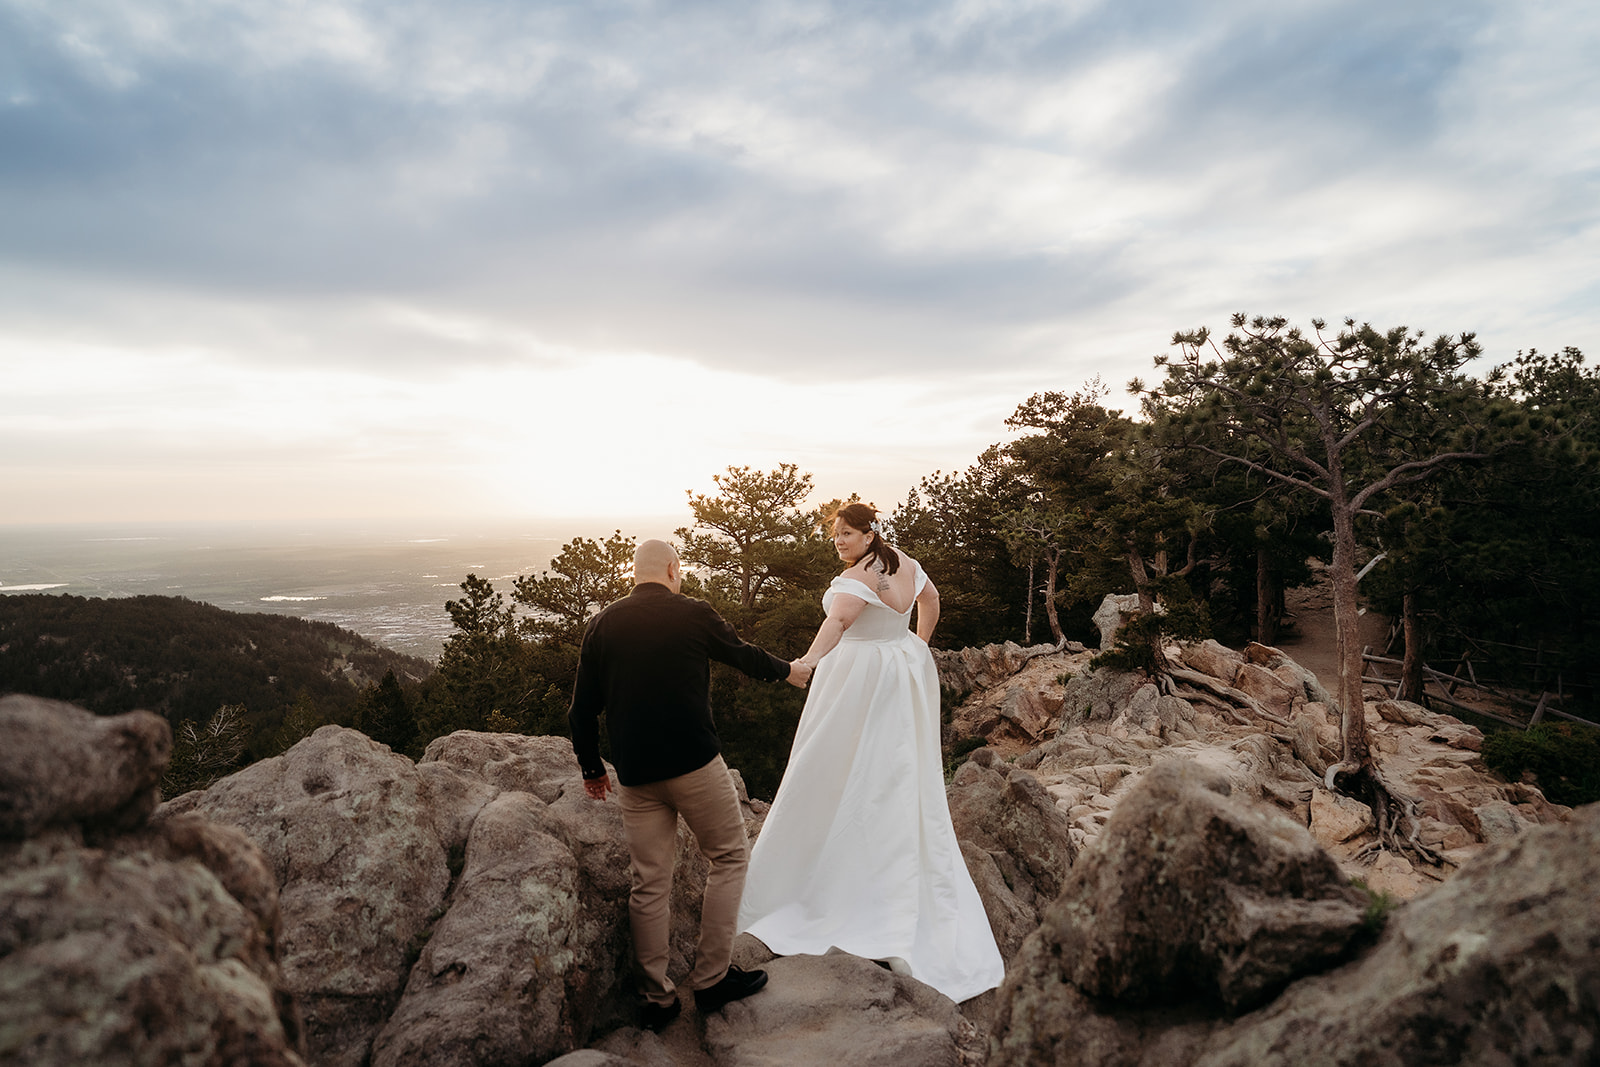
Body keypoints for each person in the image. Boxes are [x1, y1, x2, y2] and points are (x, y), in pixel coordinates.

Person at [736, 503, 1005, 1003]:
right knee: (895, 764)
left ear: (869, 533)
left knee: (832, 765)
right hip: (899, 670)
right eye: (835, 534)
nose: (838, 541)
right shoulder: (903, 562)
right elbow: (931, 600)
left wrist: (806, 665)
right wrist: (916, 646)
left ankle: (826, 868)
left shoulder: (857, 579)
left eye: (847, 534)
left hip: (857, 676)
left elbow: (836, 627)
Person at [569, 538, 812, 1033]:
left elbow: (581, 710)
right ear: (674, 569)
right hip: (696, 766)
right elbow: (743, 656)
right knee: (727, 857)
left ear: (633, 573)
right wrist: (789, 671)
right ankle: (710, 980)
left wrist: (593, 769)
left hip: (636, 778)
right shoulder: (693, 612)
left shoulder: (603, 624)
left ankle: (655, 999)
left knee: (649, 883)